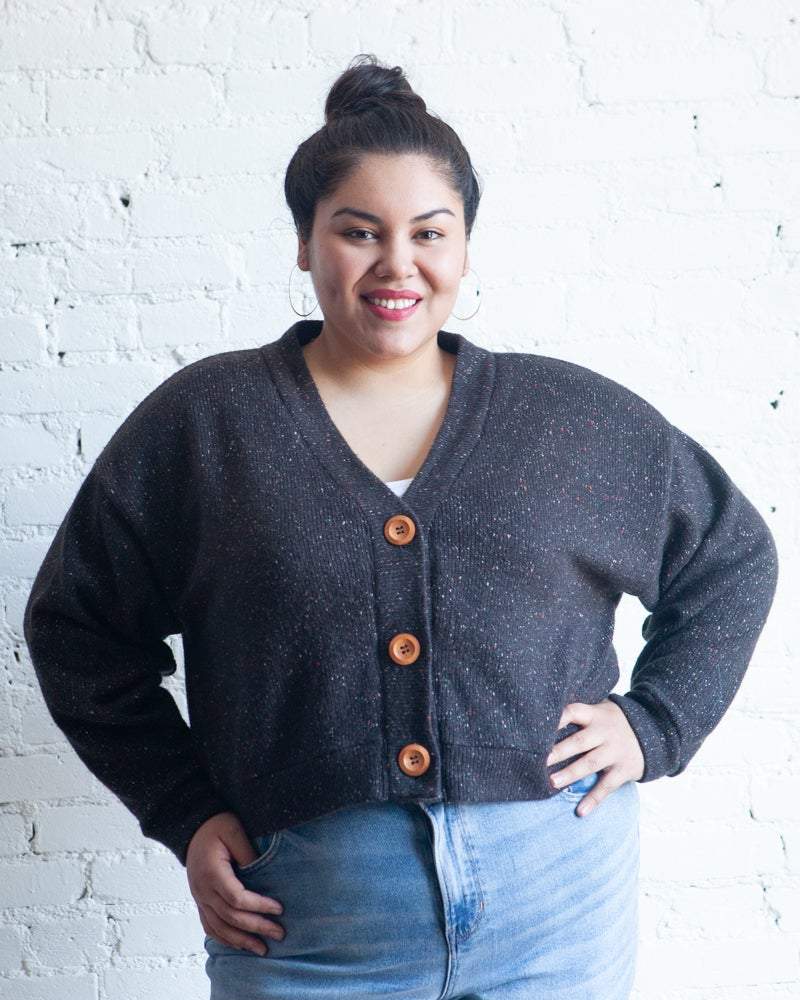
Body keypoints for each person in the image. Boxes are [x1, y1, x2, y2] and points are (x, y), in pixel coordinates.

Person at [23, 54, 779, 999]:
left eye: (430, 233)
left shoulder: (571, 420)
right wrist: (181, 808)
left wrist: (655, 721)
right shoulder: (207, 425)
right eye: (358, 232)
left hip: (558, 902)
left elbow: (730, 556)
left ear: (464, 247)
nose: (397, 265)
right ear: (305, 244)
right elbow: (78, 627)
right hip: (306, 918)